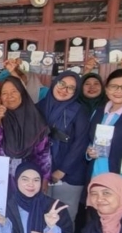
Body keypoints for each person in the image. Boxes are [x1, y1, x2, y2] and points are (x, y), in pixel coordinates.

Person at [37, 71, 91, 221]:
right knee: (41, 214)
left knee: (64, 216)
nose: (64, 89)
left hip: (69, 174)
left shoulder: (79, 111)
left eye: (71, 88)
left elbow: (81, 142)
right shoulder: (39, 107)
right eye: (62, 84)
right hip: (42, 172)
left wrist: (62, 170)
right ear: (55, 83)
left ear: (76, 92)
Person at [0, 76, 52, 182]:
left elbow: (43, 153)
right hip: (0, 176)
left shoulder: (35, 117)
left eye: (14, 91)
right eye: (4, 93)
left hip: (28, 178)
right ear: (0, 97)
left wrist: (44, 179)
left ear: (22, 93)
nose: (10, 96)